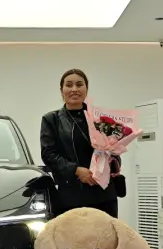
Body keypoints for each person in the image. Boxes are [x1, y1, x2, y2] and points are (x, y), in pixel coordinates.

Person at [40, 68, 124, 219]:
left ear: (86, 89)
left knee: (105, 233)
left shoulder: (101, 119)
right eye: (69, 85)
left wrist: (111, 162)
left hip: (103, 193)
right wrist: (76, 170)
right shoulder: (51, 120)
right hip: (71, 195)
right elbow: (48, 154)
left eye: (79, 85)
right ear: (61, 90)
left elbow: (114, 151)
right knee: (73, 234)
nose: (74, 89)